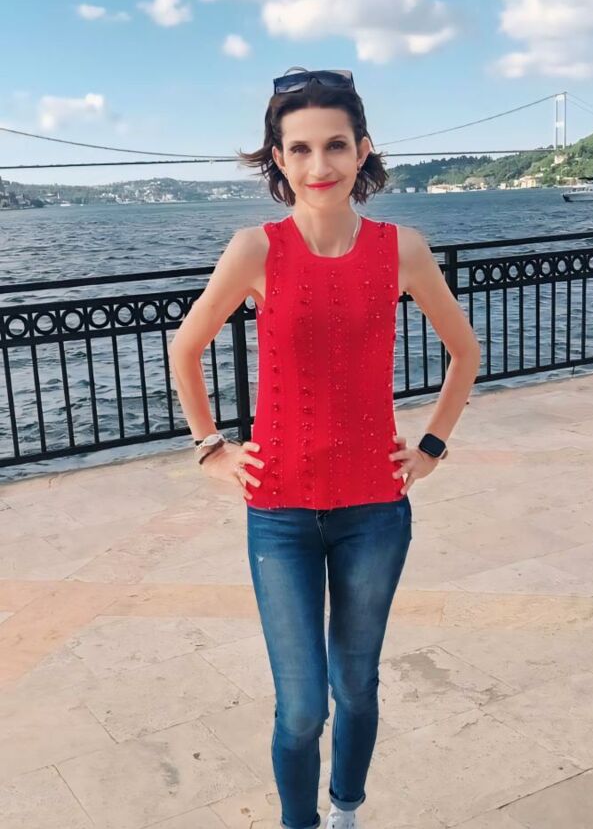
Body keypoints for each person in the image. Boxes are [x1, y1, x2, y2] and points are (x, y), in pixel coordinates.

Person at [169, 67, 481, 829]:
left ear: (362, 149)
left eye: (336, 145)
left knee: (358, 684)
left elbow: (465, 352)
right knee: (303, 704)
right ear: (278, 158)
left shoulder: (402, 249)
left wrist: (432, 444)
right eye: (301, 149)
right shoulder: (256, 249)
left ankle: (345, 809)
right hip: (279, 511)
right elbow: (186, 346)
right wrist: (211, 447)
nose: (320, 165)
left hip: (375, 509)